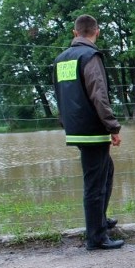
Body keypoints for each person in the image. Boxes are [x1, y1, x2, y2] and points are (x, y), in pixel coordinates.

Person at [53, 14, 124, 251]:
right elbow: (99, 95)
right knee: (95, 183)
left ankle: (99, 221)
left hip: (75, 128)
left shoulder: (62, 59)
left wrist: (67, 124)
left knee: (105, 171)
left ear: (75, 33)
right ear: (97, 32)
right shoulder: (90, 56)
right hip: (93, 129)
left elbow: (61, 96)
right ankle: (97, 237)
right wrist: (112, 126)